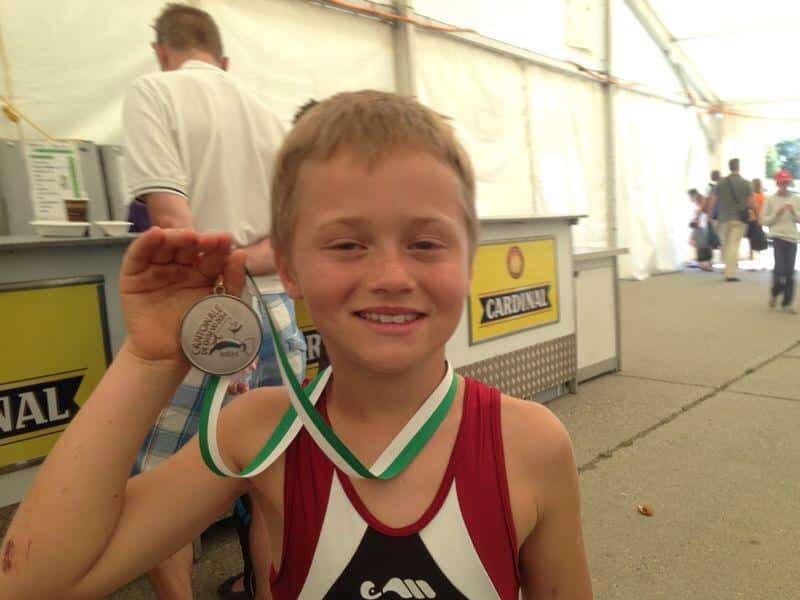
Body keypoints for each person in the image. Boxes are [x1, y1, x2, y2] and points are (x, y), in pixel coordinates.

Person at [0, 90, 592, 600]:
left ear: (469, 260)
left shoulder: (530, 444)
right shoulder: (261, 433)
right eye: (347, 245)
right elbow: (33, 583)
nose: (391, 275)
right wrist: (148, 359)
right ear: (287, 267)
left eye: (426, 244)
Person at [121, 4, 306, 598]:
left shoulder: (154, 92)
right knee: (268, 481)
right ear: (223, 60)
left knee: (158, 491)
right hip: (275, 314)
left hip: (200, 317)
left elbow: (175, 225)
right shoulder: (269, 116)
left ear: (161, 50)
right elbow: (292, 238)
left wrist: (221, 272)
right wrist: (246, 260)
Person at [761, 169, 800, 313]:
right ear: (777, 184)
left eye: (786, 182)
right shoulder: (770, 200)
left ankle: (787, 303)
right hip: (778, 237)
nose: (784, 185)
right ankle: (775, 293)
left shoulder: (796, 199)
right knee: (780, 270)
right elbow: (763, 220)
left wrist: (794, 212)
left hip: (792, 238)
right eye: (782, 183)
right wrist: (776, 214)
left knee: (790, 272)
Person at [715, 158, 753, 281]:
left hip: (723, 218)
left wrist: (711, 215)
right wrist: (755, 213)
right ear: (738, 167)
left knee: (726, 244)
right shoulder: (746, 183)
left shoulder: (721, 182)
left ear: (729, 167)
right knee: (733, 245)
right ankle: (730, 273)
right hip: (739, 219)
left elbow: (714, 199)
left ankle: (726, 268)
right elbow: (751, 202)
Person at [687, 188, 712, 271]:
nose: (690, 199)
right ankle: (706, 263)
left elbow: (701, 211)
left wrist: (696, 219)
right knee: (703, 243)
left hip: (703, 224)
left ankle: (704, 264)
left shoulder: (702, 199)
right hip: (703, 223)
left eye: (690, 196)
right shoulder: (701, 200)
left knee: (701, 244)